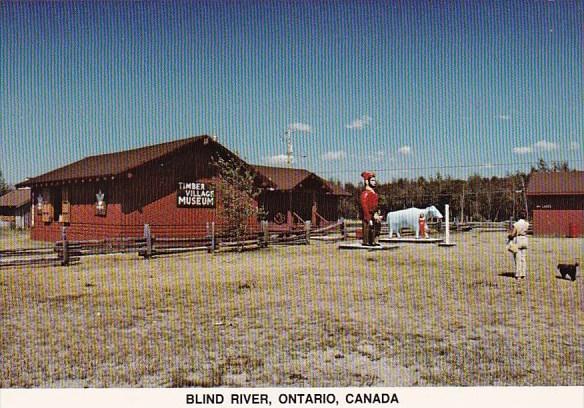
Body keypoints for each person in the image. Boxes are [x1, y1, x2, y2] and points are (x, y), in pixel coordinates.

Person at [359, 171, 382, 246]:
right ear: (367, 181)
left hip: (373, 215)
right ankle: (367, 241)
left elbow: (375, 205)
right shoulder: (365, 193)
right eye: (372, 180)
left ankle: (374, 241)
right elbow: (364, 207)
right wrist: (368, 218)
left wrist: (377, 212)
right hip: (368, 216)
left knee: (376, 228)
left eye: (374, 180)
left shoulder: (373, 193)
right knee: (368, 228)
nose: (374, 182)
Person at [509, 211, 529, 280]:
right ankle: (523, 273)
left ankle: (518, 274)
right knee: (523, 258)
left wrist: (510, 237)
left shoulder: (516, 224)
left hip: (518, 240)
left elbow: (513, 234)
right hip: (525, 239)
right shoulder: (527, 224)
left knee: (517, 258)